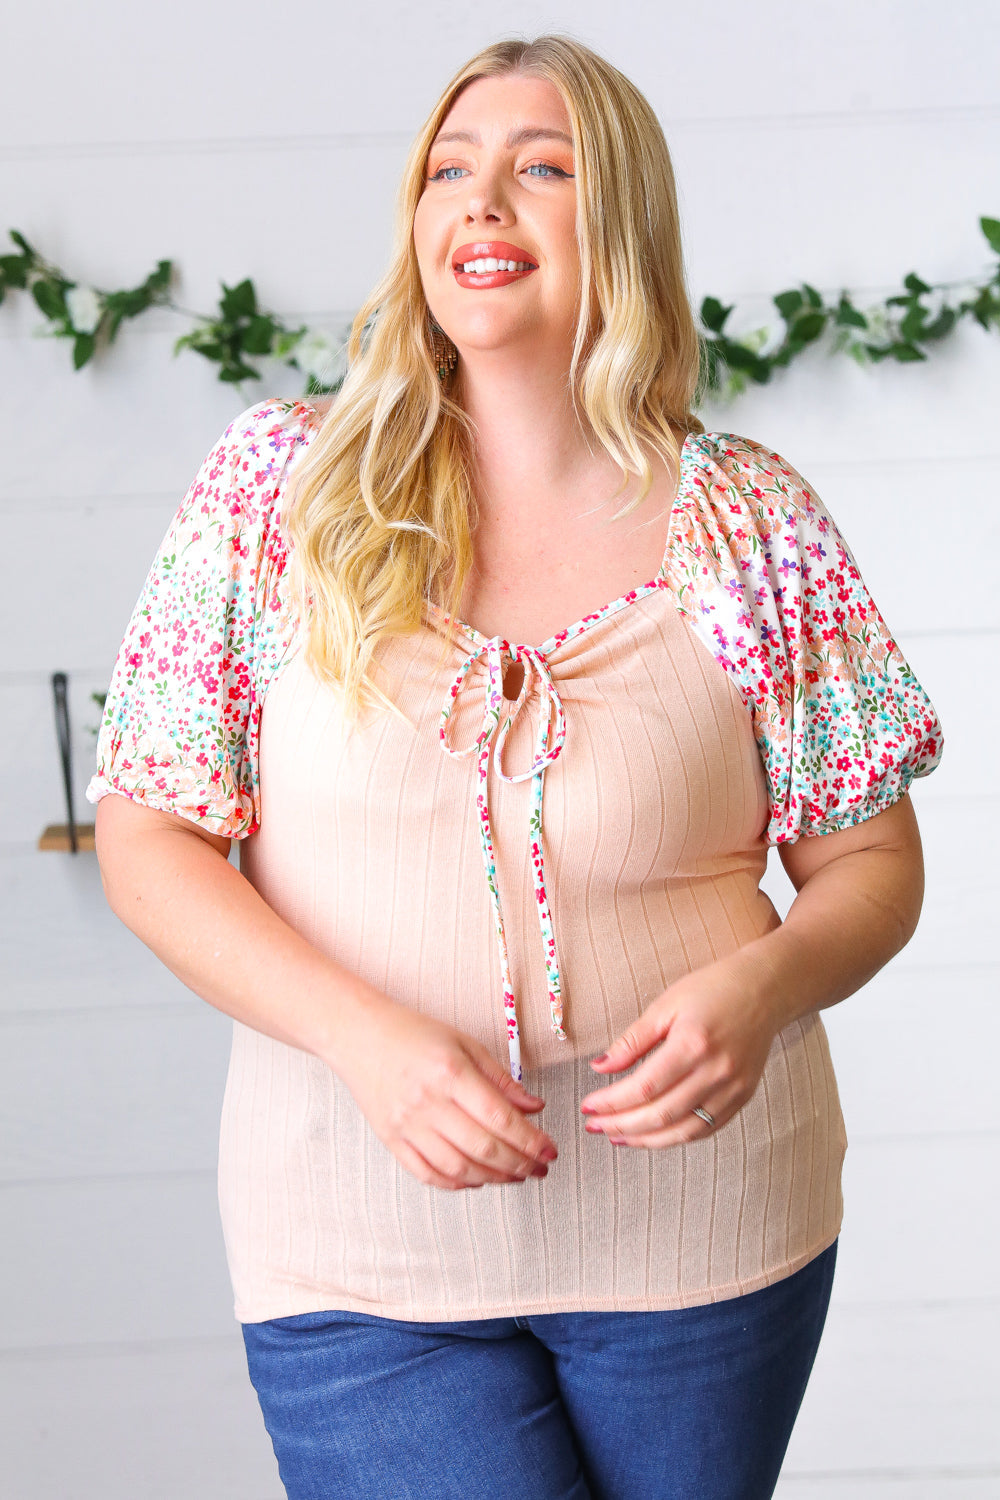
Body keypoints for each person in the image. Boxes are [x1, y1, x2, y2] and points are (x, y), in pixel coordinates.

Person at [88, 33, 942, 1500]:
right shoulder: (276, 493)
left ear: (623, 222)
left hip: (708, 1241)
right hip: (353, 1248)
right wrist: (365, 1039)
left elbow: (871, 862)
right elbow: (149, 836)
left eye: (541, 168)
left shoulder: (751, 520)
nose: (480, 201)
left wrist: (764, 988)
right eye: (448, 171)